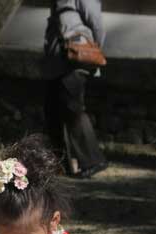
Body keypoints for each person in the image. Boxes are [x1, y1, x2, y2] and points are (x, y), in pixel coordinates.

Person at [43, 0, 109, 178]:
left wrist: (94, 49)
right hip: (56, 60)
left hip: (75, 58)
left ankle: (93, 160)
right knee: (52, 112)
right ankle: (58, 165)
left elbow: (96, 22)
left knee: (73, 109)